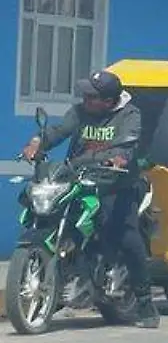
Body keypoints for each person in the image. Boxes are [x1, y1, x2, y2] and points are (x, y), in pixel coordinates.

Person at [20, 70, 159, 329]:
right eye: (85, 94)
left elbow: (128, 144)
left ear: (108, 101)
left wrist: (119, 158)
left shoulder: (129, 115)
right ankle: (68, 272)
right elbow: (58, 131)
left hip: (116, 184)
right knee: (51, 211)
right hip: (79, 177)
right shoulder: (80, 112)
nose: (85, 99)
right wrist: (37, 143)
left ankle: (145, 303)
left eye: (91, 96)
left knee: (126, 235)